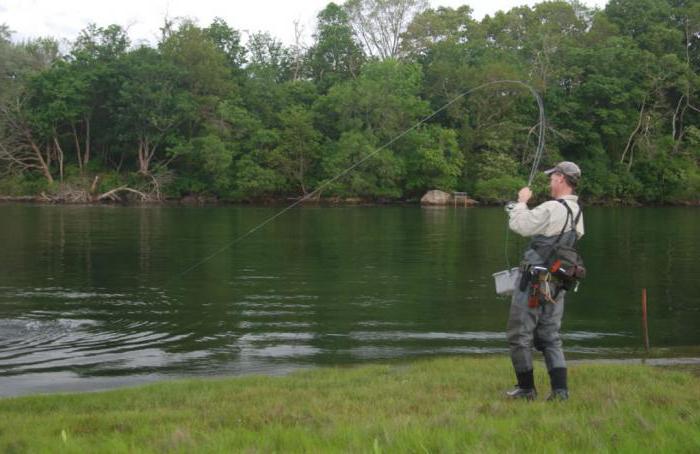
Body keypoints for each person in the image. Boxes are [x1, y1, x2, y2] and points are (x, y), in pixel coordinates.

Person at [504, 161, 584, 401]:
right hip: (557, 283)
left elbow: (520, 225)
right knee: (550, 335)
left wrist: (521, 202)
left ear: (560, 178)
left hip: (533, 281)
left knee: (519, 335)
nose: (550, 181)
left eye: (552, 177)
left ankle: (526, 389)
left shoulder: (552, 207)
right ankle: (560, 392)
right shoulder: (578, 212)